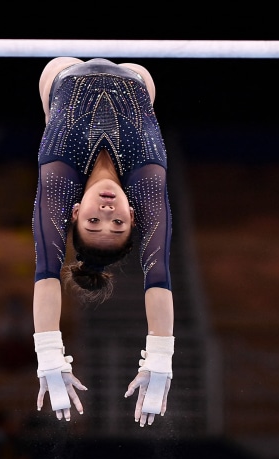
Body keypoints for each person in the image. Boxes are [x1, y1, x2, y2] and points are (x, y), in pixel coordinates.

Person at [32, 57, 175, 427]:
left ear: (75, 211)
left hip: (61, 76)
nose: (107, 211)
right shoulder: (146, 182)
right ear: (134, 215)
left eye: (95, 222)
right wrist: (160, 357)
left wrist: (48, 354)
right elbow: (157, 274)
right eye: (118, 222)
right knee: (141, 76)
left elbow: (47, 271)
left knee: (54, 81)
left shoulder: (59, 180)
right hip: (137, 78)